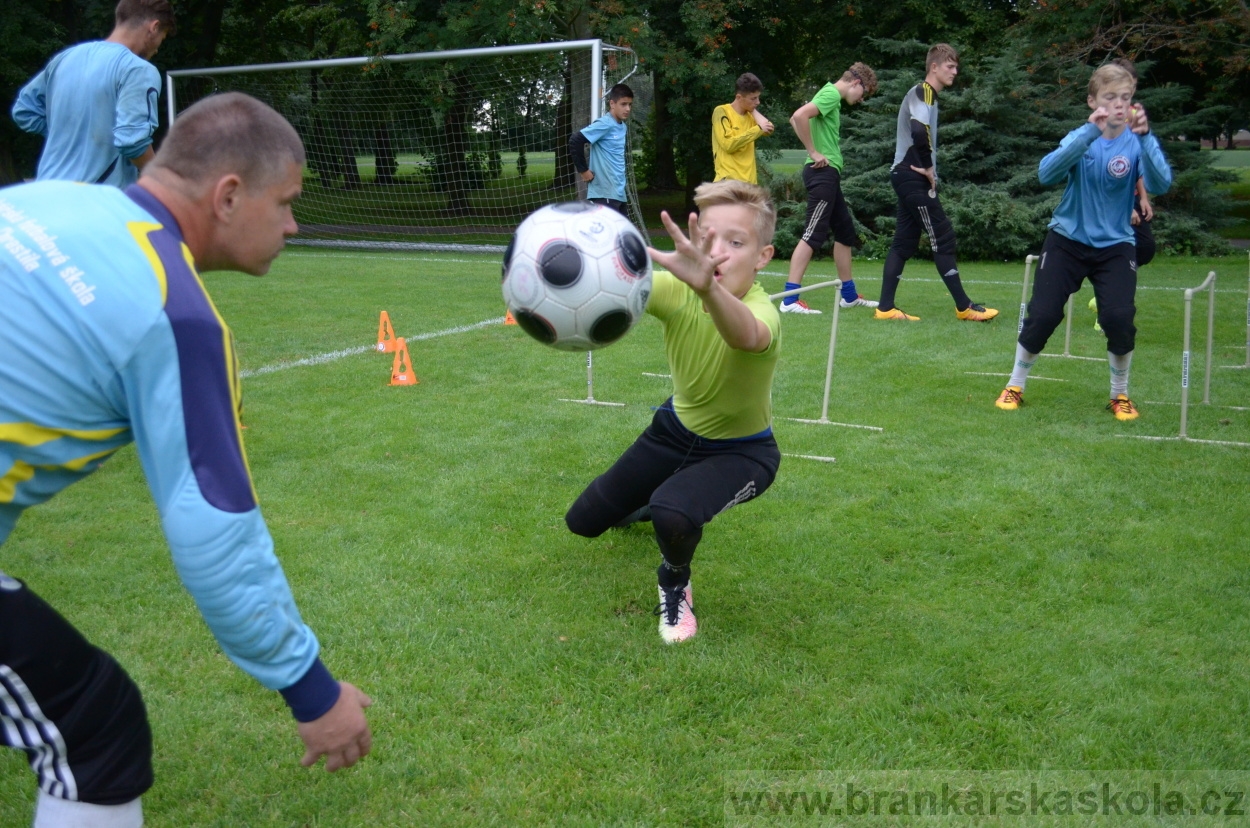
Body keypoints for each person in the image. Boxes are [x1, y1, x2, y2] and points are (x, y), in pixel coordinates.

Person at [0, 92, 373, 828]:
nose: (295, 224)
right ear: (229, 196)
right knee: (95, 726)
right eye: (288, 202)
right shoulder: (178, 314)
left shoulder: (44, 201)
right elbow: (214, 531)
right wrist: (311, 691)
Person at [565, 180, 782, 644]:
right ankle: (645, 505)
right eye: (708, 237)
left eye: (736, 242)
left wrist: (707, 291)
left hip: (742, 452)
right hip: (672, 433)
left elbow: (745, 336)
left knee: (675, 511)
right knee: (582, 523)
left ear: (763, 256)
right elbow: (616, 283)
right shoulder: (679, 289)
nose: (716, 253)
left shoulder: (762, 310)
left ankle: (675, 581)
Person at [995, 63, 1172, 419]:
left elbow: (1162, 183)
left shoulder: (1137, 142)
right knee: (1043, 315)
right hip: (1066, 240)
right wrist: (1088, 134)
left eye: (1125, 98)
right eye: (1110, 98)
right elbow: (1046, 173)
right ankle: (1015, 384)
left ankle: (1119, 394)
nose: (1119, 105)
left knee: (1119, 318)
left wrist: (1146, 137)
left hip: (1116, 245)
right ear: (1093, 101)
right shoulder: (1081, 136)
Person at [873, 44, 998, 322]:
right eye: (950, 66)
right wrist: (929, 168)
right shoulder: (923, 91)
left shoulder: (929, 96)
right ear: (934, 67)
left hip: (904, 175)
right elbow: (919, 130)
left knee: (903, 244)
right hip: (911, 175)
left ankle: (885, 309)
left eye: (956, 66)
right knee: (942, 236)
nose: (955, 71)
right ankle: (964, 307)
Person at [12, 0, 175, 188]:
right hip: (96, 200)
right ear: (154, 27)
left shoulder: (65, 58)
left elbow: (24, 109)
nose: (156, 49)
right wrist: (163, 179)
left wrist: (71, 133)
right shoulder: (138, 70)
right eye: (162, 39)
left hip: (47, 192)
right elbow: (133, 143)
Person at [782, 62, 879, 314]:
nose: (861, 100)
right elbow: (799, 115)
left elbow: (795, 118)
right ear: (856, 82)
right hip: (821, 175)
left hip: (829, 174)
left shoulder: (829, 96)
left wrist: (813, 149)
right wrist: (813, 152)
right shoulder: (831, 94)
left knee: (845, 233)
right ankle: (789, 300)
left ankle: (848, 296)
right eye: (864, 93)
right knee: (813, 234)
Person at [568, 83, 634, 216]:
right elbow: (575, 141)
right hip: (605, 193)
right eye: (623, 104)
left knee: (620, 235)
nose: (627, 108)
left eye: (630, 104)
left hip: (618, 193)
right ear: (612, 104)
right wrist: (583, 170)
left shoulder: (622, 126)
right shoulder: (605, 123)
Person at [712, 73, 775, 185]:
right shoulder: (721, 111)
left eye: (758, 97)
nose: (758, 102)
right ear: (739, 97)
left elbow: (769, 128)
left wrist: (752, 109)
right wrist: (757, 129)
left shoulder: (751, 116)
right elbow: (728, 145)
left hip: (750, 184)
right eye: (753, 98)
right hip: (728, 183)